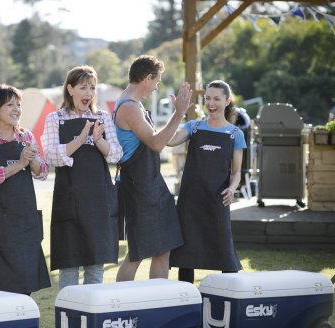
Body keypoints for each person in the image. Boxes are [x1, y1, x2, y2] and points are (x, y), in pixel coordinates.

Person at [42, 65, 123, 289]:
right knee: (69, 264)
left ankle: (93, 318)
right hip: (69, 199)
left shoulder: (102, 117)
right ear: (70, 89)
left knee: (95, 264)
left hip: (98, 199)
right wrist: (80, 139)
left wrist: (98, 140)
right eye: (83, 87)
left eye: (92, 88)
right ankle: (69, 319)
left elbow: (116, 154)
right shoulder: (54, 119)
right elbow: (50, 155)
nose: (88, 93)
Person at [113, 55, 191, 282]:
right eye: (156, 81)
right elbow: (157, 144)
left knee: (163, 247)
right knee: (137, 253)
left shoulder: (133, 104)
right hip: (140, 187)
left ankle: (159, 300)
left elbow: (158, 139)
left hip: (150, 184)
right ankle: (120, 303)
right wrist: (179, 113)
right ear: (147, 78)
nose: (157, 87)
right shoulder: (129, 107)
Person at [0, 84, 51, 295]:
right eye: (10, 105)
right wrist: (19, 164)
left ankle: (25, 323)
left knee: (26, 283)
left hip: (25, 220)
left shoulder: (26, 136)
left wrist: (31, 159)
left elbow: (42, 172)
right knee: (3, 285)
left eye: (19, 104)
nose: (17, 109)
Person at [168, 80, 246, 283]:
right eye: (207, 98)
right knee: (186, 254)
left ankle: (232, 296)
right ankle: (185, 298)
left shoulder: (236, 134)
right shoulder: (193, 127)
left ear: (228, 101)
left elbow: (236, 172)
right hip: (190, 201)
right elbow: (169, 140)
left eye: (216, 99)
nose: (211, 103)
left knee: (224, 252)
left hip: (217, 200)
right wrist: (179, 113)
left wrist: (232, 188)